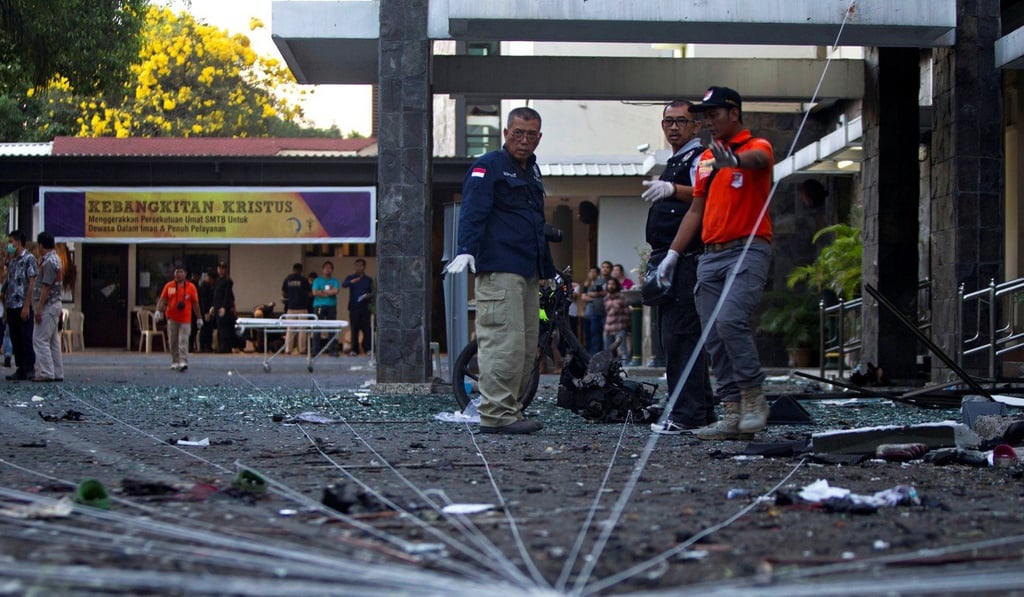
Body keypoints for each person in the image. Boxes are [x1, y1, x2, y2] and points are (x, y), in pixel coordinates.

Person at [658, 86, 775, 440]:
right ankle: (732, 413)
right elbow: (696, 209)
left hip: (747, 249)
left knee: (730, 320)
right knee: (712, 335)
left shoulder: (755, 146)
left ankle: (754, 398)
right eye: (705, 115)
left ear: (734, 113)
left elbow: (761, 163)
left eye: (714, 113)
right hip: (710, 255)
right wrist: (673, 255)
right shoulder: (708, 158)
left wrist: (734, 161)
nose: (708, 120)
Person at [444, 106, 554, 435]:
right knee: (501, 343)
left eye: (530, 134)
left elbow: (533, 223)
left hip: (526, 269)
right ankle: (496, 414)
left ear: (539, 137)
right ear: (505, 134)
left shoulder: (531, 171)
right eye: (517, 133)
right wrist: (465, 249)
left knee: (523, 346)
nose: (524, 140)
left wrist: (546, 268)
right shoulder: (488, 166)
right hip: (499, 268)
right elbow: (474, 211)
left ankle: (510, 410)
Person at [643, 100, 716, 435]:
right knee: (679, 337)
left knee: (680, 337)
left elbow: (708, 196)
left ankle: (687, 415)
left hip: (685, 259)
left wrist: (672, 188)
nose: (673, 127)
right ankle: (699, 409)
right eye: (668, 121)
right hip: (671, 257)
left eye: (681, 121)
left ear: (695, 126)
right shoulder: (677, 159)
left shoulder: (699, 158)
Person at [31, 231, 63, 382]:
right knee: (53, 341)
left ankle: (47, 372)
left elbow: (46, 286)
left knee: (40, 339)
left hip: (48, 304)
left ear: (41, 245)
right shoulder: (56, 259)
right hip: (55, 304)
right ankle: (57, 372)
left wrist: (39, 307)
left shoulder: (49, 262)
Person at [155, 264, 200, 371]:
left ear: (185, 273)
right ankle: (175, 361)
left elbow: (195, 304)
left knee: (183, 340)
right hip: (172, 318)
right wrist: (158, 310)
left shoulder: (191, 287)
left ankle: (183, 361)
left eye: (181, 272)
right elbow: (163, 300)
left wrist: (199, 317)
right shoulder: (169, 286)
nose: (179, 274)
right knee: (173, 340)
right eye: (177, 272)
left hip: (185, 319)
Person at [4, 230, 36, 381]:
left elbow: (31, 283)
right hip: (11, 304)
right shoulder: (12, 261)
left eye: (11, 242)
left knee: (25, 337)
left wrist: (26, 305)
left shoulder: (29, 259)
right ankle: (21, 368)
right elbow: (8, 284)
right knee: (15, 337)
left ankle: (30, 367)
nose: (10, 245)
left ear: (18, 242)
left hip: (22, 304)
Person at [341, 258, 373, 356]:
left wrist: (369, 295)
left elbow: (373, 292)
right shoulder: (351, 277)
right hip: (354, 307)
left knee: (367, 329)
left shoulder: (368, 279)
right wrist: (351, 282)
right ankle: (354, 349)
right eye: (357, 265)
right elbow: (343, 285)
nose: (359, 267)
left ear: (364, 266)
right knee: (354, 329)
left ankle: (367, 348)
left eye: (361, 265)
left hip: (365, 307)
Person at [311, 261, 341, 357]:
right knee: (317, 327)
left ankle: (332, 350)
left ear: (332, 270)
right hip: (319, 306)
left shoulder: (335, 281)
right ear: (322, 269)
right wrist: (328, 291)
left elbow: (335, 291)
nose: (327, 270)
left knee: (331, 328)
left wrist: (322, 291)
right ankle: (315, 350)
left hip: (331, 306)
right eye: (326, 268)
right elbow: (314, 292)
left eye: (330, 268)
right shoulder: (317, 280)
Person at [281, 263, 311, 355]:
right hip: (302, 307)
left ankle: (288, 349)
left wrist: (291, 295)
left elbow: (283, 293)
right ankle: (302, 349)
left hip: (291, 307)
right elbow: (309, 293)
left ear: (293, 269)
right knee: (302, 329)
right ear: (301, 270)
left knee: (290, 329)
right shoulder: (304, 279)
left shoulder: (288, 279)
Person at [581, 262, 610, 354]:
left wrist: (597, 295)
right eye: (603, 267)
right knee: (594, 334)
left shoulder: (609, 281)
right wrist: (593, 296)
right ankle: (593, 354)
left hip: (605, 311)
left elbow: (608, 292)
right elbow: (585, 295)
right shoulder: (594, 283)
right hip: (593, 312)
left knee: (606, 336)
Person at [602, 277, 630, 364]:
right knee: (608, 350)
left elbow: (627, 312)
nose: (611, 286)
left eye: (613, 284)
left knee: (622, 349)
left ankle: (625, 367)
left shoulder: (622, 297)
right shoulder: (606, 298)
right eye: (609, 284)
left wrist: (627, 325)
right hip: (608, 327)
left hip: (619, 326)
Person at [212, 261, 237, 353]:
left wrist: (224, 307)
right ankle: (221, 346)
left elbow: (227, 295)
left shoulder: (228, 281)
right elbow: (216, 295)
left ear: (225, 269)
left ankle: (225, 347)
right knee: (219, 328)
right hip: (217, 306)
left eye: (222, 268)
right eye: (219, 268)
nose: (220, 270)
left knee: (224, 328)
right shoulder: (218, 280)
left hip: (223, 308)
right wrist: (213, 306)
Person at [197, 268, 216, 352]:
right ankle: (203, 346)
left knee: (209, 329)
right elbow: (204, 301)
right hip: (205, 311)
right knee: (204, 329)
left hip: (210, 310)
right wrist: (205, 312)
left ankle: (208, 345)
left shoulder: (211, 287)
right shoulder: (204, 287)